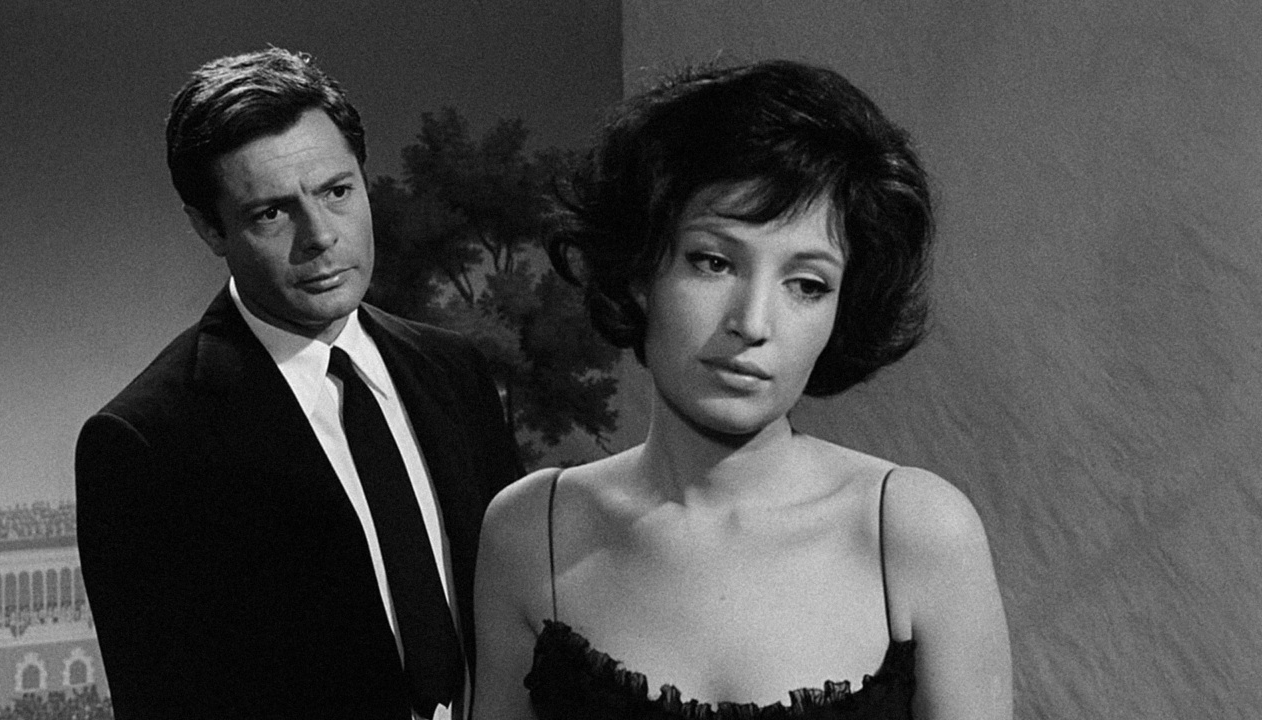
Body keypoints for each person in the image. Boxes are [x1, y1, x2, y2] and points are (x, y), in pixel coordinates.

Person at [472, 60, 1011, 719]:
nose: (753, 323)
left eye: (807, 285)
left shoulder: (916, 532)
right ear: (639, 271)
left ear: (842, 309)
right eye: (714, 262)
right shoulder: (534, 530)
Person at [75, 48, 521, 720]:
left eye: (337, 192)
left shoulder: (453, 372)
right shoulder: (146, 444)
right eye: (271, 214)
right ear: (209, 228)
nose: (320, 237)